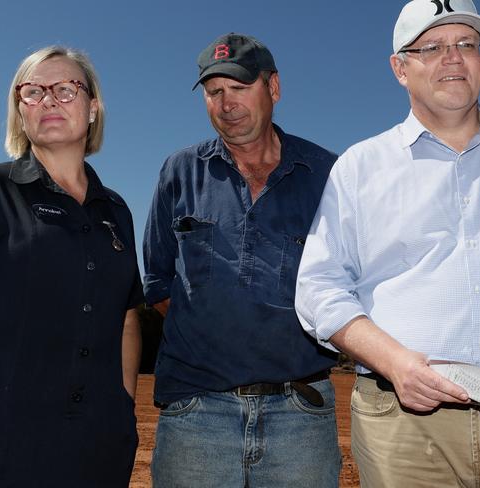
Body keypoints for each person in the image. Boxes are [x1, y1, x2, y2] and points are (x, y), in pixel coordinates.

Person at [295, 0, 480, 486]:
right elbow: (319, 286)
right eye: (433, 47)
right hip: (405, 430)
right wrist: (393, 362)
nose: (454, 58)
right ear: (400, 67)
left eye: (467, 44)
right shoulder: (361, 167)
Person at [0, 46, 143, 487]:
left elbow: (127, 314)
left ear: (93, 107)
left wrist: (122, 406)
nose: (48, 101)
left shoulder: (116, 211)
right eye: (33, 92)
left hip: (92, 457)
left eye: (65, 89)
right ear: (20, 114)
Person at [143, 33, 341, 487]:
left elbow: (350, 281)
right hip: (197, 411)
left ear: (273, 88)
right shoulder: (180, 171)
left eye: (239, 87)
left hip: (301, 411)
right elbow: (157, 281)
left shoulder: (329, 175)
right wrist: (217, 336)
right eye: (214, 92)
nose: (226, 103)